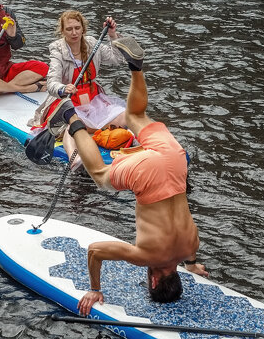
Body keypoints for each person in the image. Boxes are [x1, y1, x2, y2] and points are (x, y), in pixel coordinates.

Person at [46, 39, 208, 315]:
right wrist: (95, 289)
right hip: (148, 172)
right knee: (99, 176)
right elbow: (95, 251)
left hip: (176, 161)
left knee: (134, 115)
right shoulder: (146, 257)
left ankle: (136, 68)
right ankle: (72, 119)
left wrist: (192, 264)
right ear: (154, 279)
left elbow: (192, 251)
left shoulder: (191, 244)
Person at [30, 10, 134, 161]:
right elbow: (52, 82)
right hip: (66, 102)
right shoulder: (58, 50)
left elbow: (116, 59)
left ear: (83, 29)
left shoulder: (92, 43)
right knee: (74, 125)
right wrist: (63, 88)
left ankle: (138, 142)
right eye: (69, 29)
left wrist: (112, 35)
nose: (74, 33)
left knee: (127, 116)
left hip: (93, 98)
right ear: (62, 31)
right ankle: (75, 159)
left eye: (77, 28)